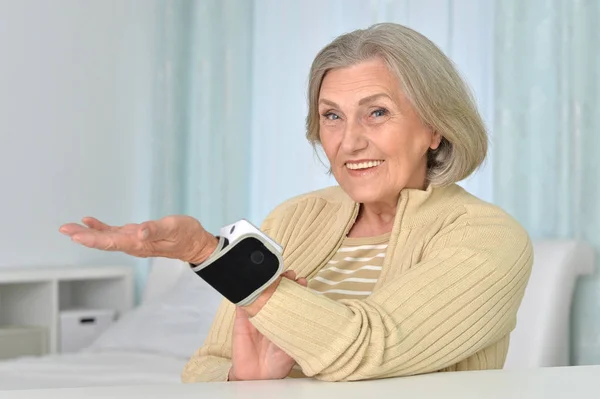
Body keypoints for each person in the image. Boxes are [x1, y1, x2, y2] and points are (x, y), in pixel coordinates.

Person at [59, 23, 533, 383]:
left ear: (435, 127)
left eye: (378, 112)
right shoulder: (294, 217)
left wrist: (211, 256)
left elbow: (372, 347)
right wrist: (246, 383)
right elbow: (205, 366)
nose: (349, 142)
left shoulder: (487, 237)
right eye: (332, 116)